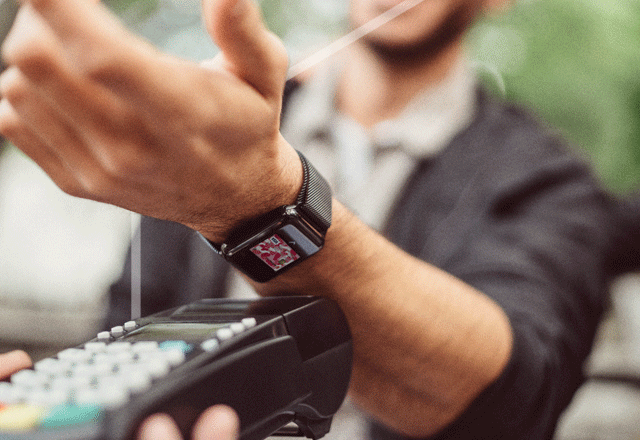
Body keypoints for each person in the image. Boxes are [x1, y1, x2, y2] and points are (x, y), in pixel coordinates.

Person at [0, 0, 617, 439]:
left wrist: (260, 206)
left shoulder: (550, 180)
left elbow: (515, 399)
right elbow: (125, 325)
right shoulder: (212, 127)